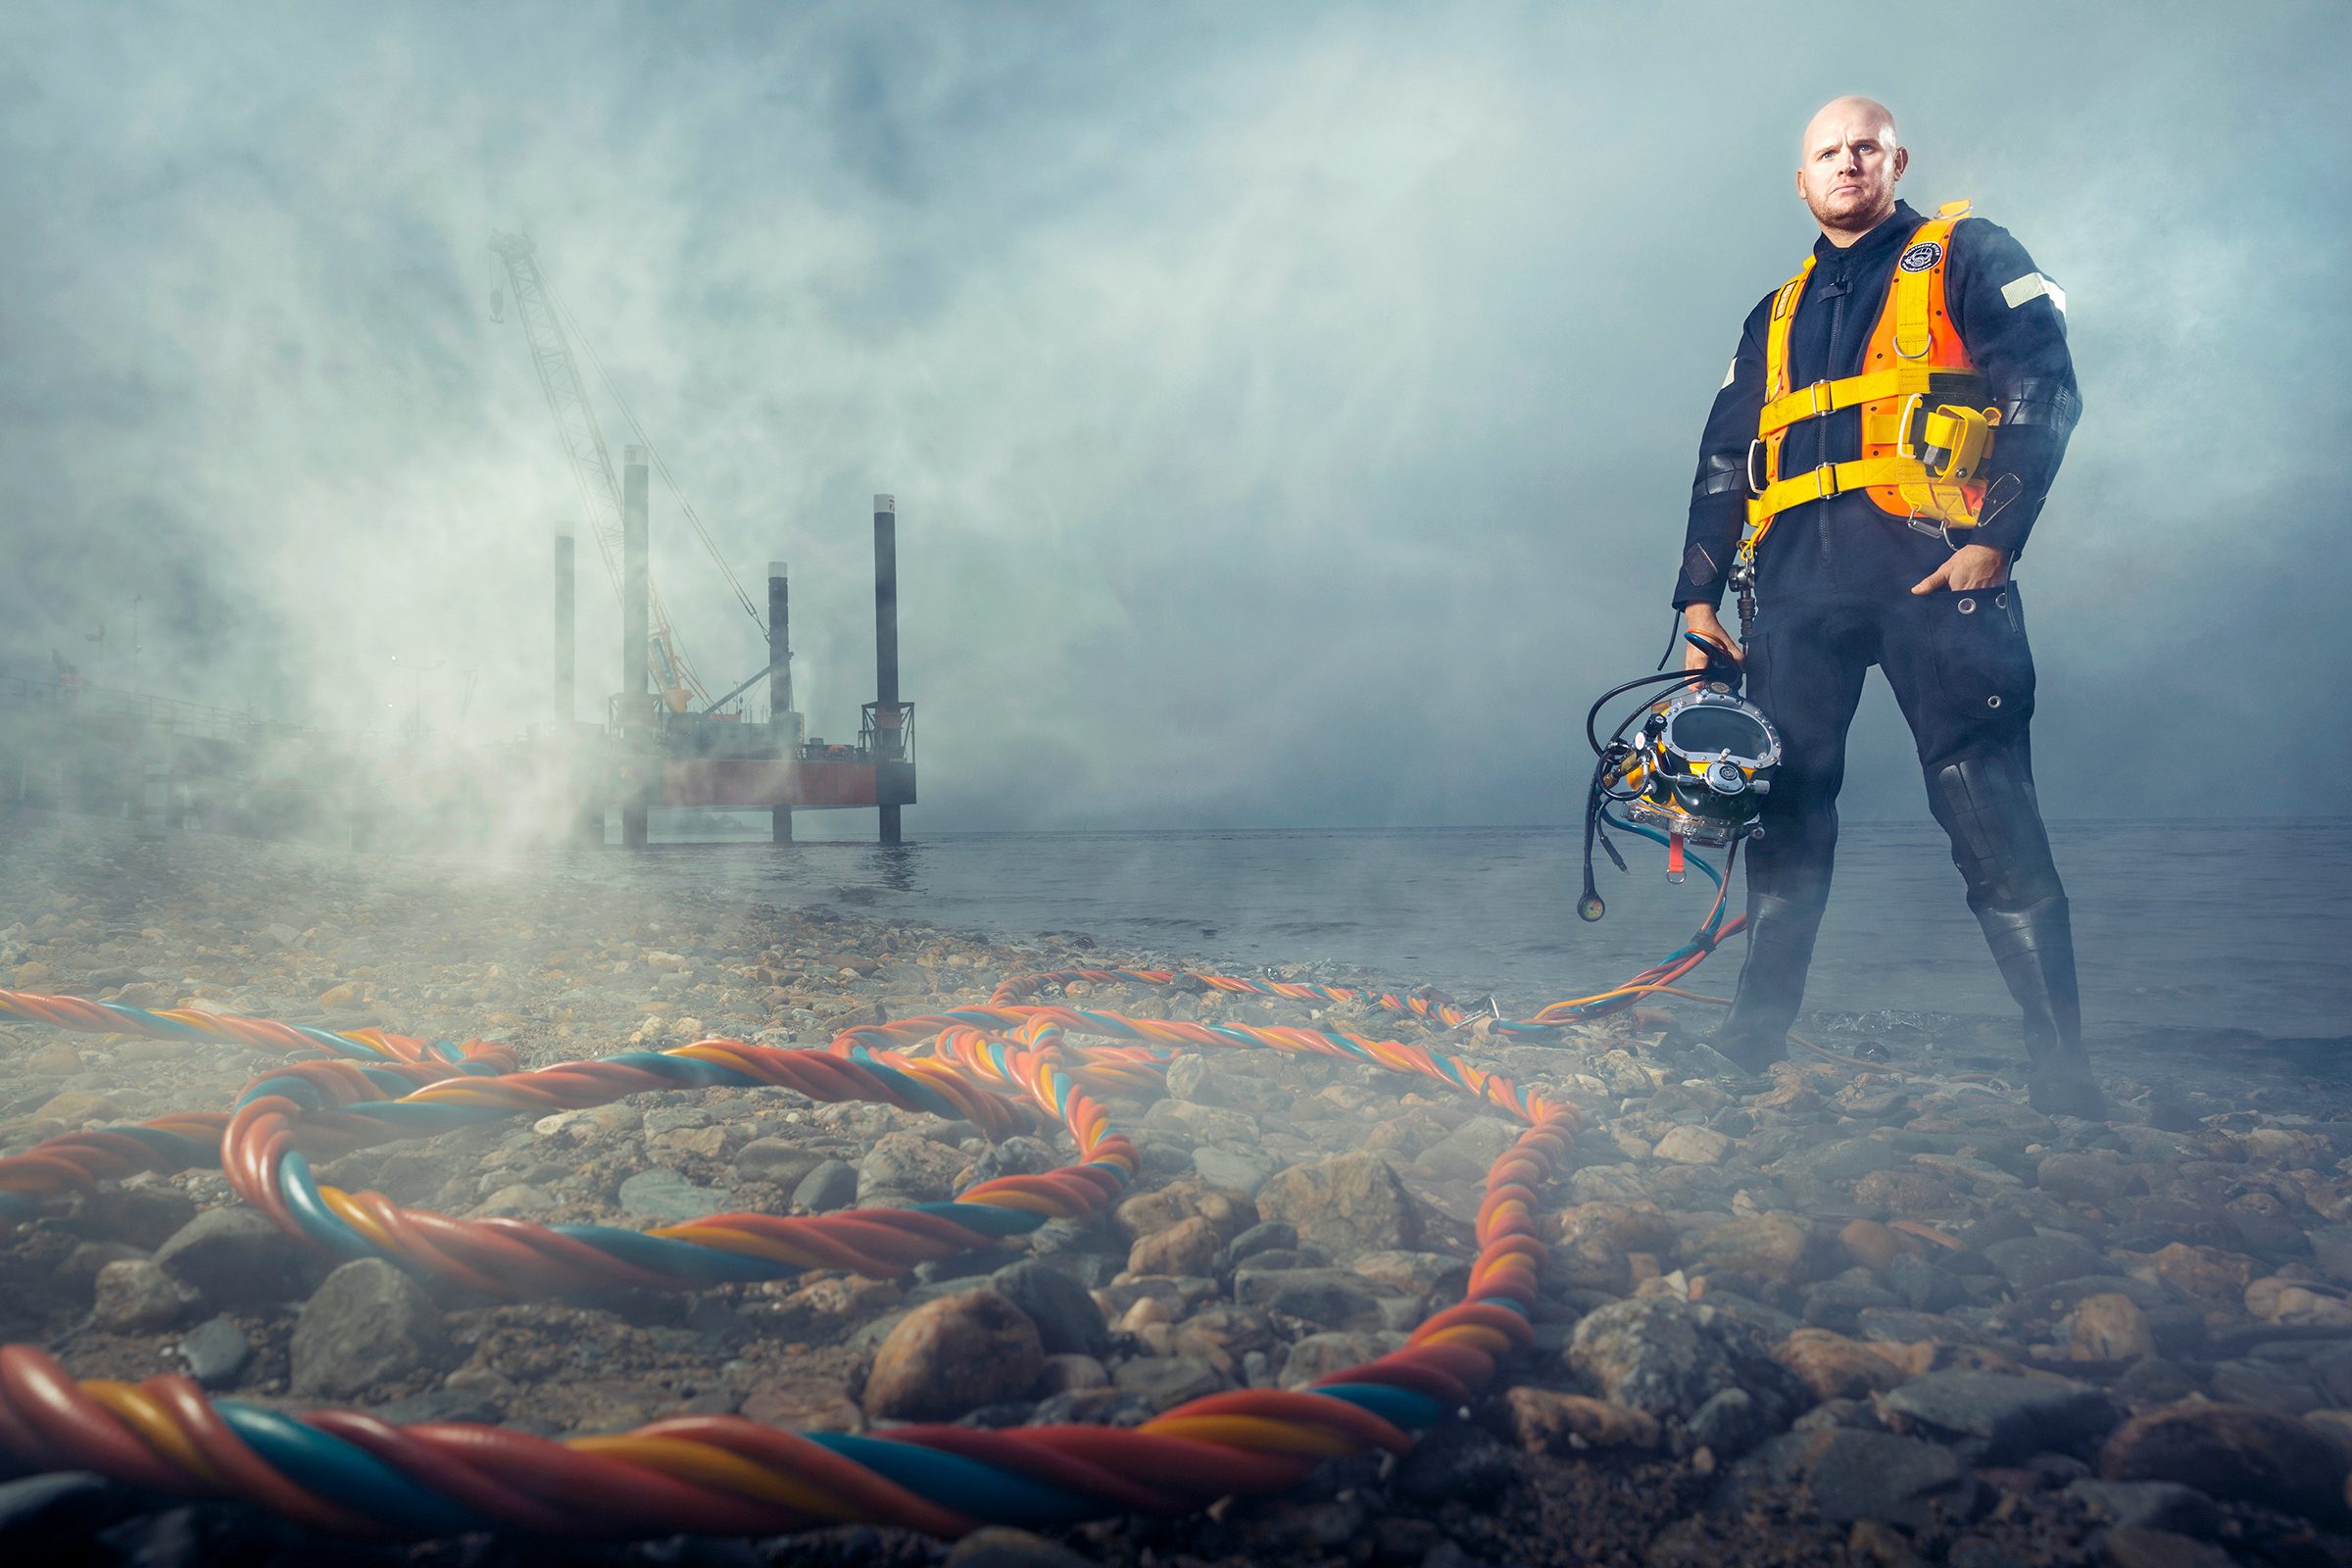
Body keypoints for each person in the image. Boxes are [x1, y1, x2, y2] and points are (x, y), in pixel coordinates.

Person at [1669, 96, 2103, 1118]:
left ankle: (2063, 1072)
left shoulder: (1968, 253)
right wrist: (1698, 599)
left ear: (1896, 159)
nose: (1847, 163)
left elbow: (2046, 384)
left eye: (1864, 147)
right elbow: (1726, 460)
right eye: (1827, 152)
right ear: (1803, 180)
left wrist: (1998, 538)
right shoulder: (1771, 314)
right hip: (1796, 595)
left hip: (1935, 576)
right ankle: (1750, 1041)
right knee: (1783, 812)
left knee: (1984, 804)